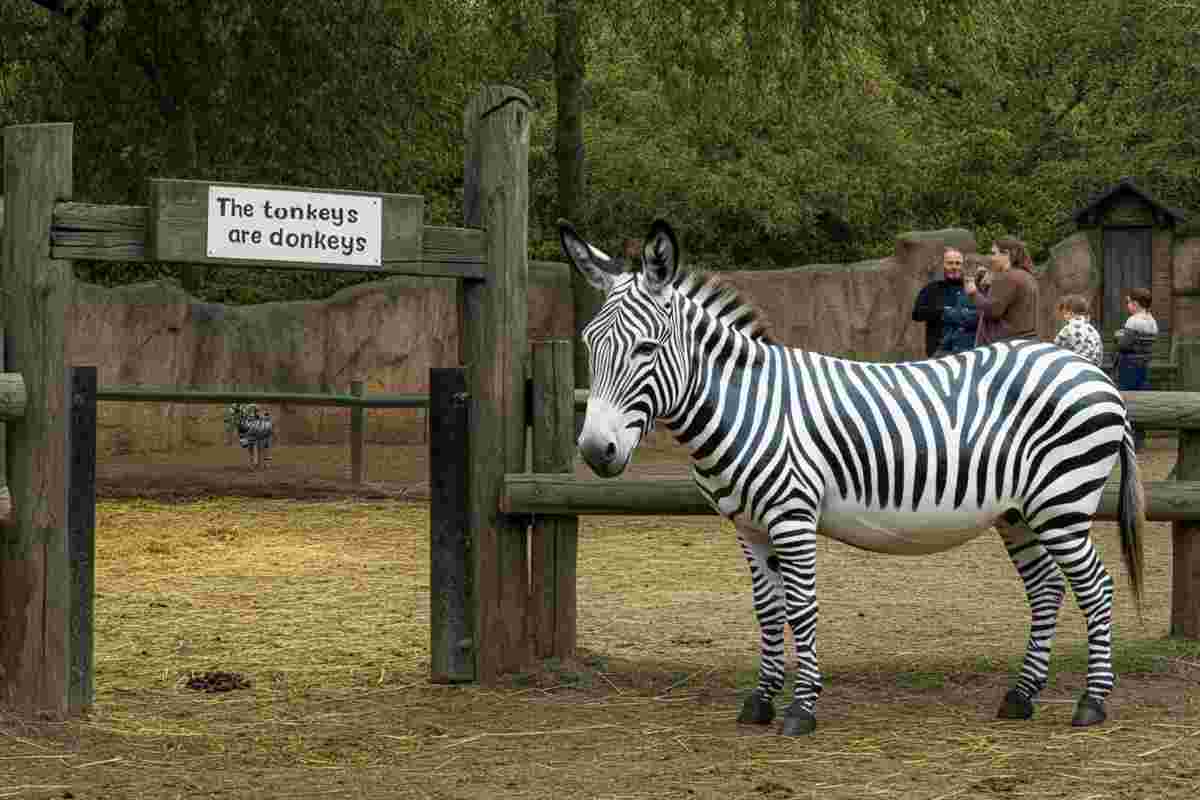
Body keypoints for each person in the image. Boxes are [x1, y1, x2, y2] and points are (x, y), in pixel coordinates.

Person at [966, 238, 1039, 346]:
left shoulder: (1006, 277)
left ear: (1006, 254)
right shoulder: (1028, 276)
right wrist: (986, 288)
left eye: (994, 253)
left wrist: (973, 293)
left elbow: (992, 311)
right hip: (1026, 341)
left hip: (1004, 346)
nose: (991, 258)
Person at [1115, 288, 1158, 450]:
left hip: (1129, 364)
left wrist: (1118, 336)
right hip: (1144, 364)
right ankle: (1139, 439)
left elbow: (1124, 345)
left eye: (1129, 302)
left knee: (1126, 399)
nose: (1127, 305)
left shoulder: (1133, 320)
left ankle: (1126, 439)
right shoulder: (1152, 320)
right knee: (1140, 400)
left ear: (1135, 303)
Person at [913, 248, 973, 358]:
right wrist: (943, 311)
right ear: (943, 265)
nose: (954, 267)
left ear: (962, 266)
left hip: (966, 352)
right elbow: (917, 314)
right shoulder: (931, 288)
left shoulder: (971, 289)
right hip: (938, 352)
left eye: (958, 263)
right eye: (950, 263)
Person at [1053, 294, 1103, 366]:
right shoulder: (1093, 331)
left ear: (1070, 312)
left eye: (1064, 313)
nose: (1064, 317)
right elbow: (1100, 353)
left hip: (1074, 366)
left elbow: (1056, 348)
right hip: (1093, 367)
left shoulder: (1067, 329)